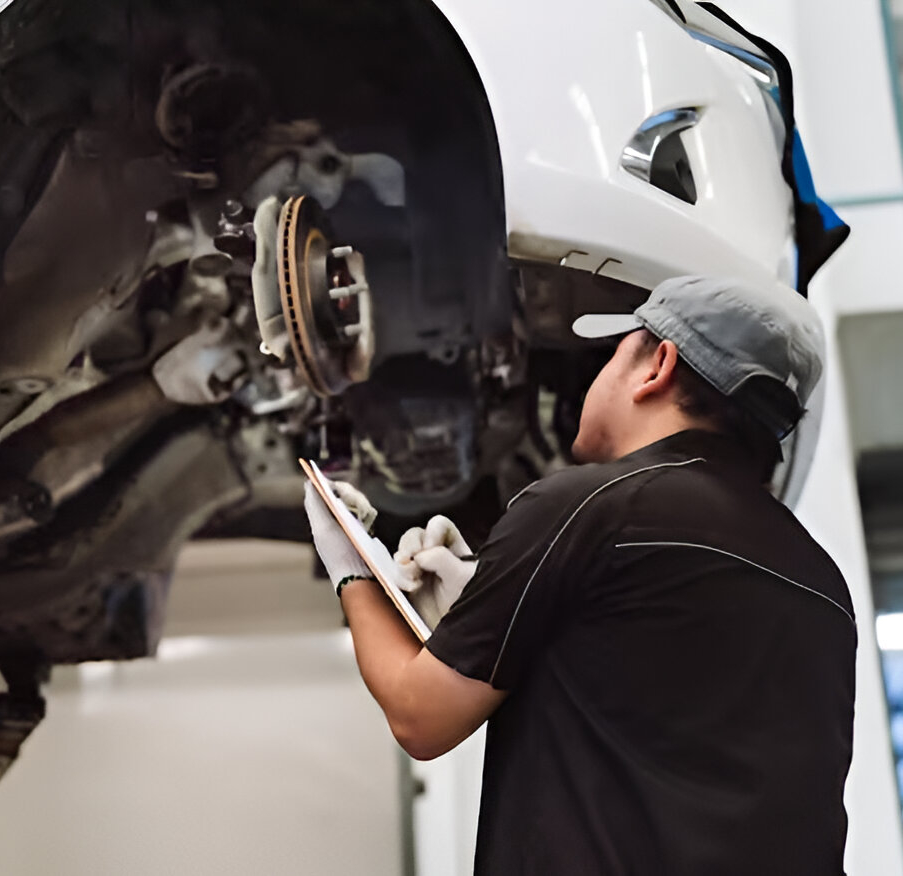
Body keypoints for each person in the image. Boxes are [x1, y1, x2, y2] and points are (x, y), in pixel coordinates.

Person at [306, 275, 854, 875]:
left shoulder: (591, 507)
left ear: (657, 365)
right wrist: (489, 613)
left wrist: (352, 566)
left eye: (616, 351)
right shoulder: (822, 585)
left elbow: (419, 717)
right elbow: (650, 702)